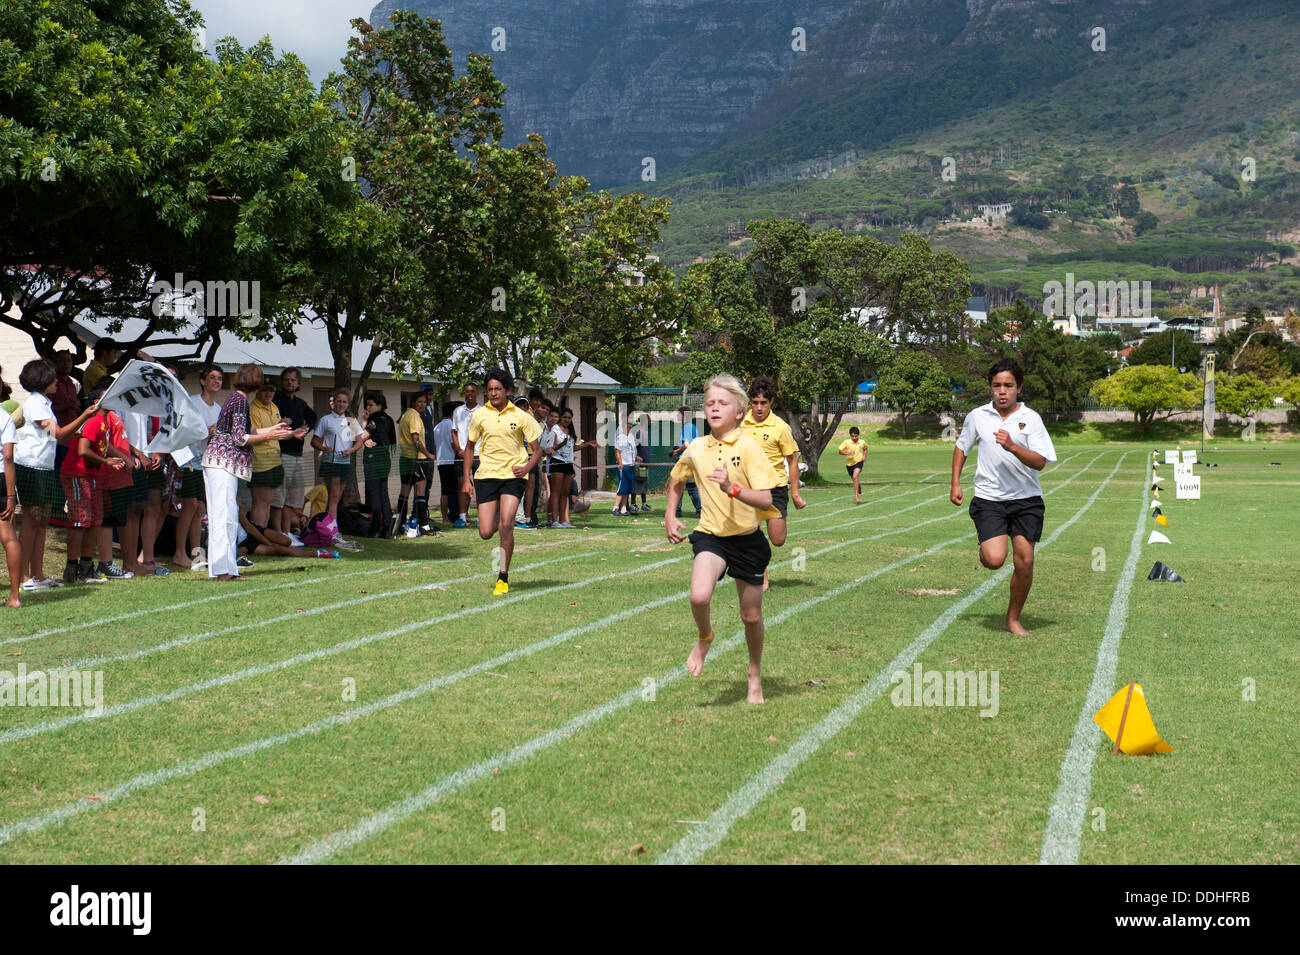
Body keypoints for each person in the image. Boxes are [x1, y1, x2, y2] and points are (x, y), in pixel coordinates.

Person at [665, 374, 779, 705]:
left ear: (739, 411)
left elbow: (766, 500)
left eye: (722, 403)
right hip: (711, 536)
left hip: (746, 540)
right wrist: (670, 516)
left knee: (751, 617)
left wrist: (733, 489)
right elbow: (675, 481)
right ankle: (705, 638)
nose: (714, 408)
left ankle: (754, 674)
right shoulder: (696, 447)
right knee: (699, 596)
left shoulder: (749, 447)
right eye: (710, 403)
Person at [951, 358, 1057, 636]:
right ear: (990, 388)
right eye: (996, 385)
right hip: (989, 499)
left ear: (1019, 388)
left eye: (1008, 385)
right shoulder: (977, 416)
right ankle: (986, 546)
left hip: (1026, 500)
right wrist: (955, 483)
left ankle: (1013, 619)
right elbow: (962, 447)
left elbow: (1040, 462)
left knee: (1025, 562)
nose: (1002, 391)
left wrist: (1011, 446)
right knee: (995, 559)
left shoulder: (1031, 419)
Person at [202, 363, 294, 581]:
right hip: (222, 464)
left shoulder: (236, 399)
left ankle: (226, 568)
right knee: (224, 517)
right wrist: (272, 437)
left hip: (220, 464)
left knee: (228, 516)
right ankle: (223, 571)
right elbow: (239, 438)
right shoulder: (240, 401)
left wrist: (272, 429)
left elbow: (246, 431)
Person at [14, 359, 98, 592]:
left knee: (42, 522)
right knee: (32, 521)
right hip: (30, 467)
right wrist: (86, 415)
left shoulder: (44, 403)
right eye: (53, 379)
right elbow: (59, 433)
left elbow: (59, 436)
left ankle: (37, 575)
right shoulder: (35, 403)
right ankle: (23, 578)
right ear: (43, 381)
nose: (56, 383)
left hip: (44, 467)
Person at [463, 369, 542, 595]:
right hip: (486, 476)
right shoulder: (479, 416)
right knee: (486, 532)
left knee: (506, 524)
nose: (493, 393)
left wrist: (526, 468)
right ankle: (498, 520)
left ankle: (502, 577)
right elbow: (469, 448)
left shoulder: (521, 416)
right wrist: (466, 480)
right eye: (489, 389)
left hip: (512, 476)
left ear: (507, 391)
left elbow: (537, 450)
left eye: (498, 389)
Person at [741, 375, 806, 591]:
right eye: (755, 403)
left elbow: (792, 459)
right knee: (753, 534)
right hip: (750, 489)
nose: (759, 408)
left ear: (771, 402)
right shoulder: (741, 424)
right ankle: (762, 579)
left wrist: (795, 493)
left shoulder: (780, 427)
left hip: (775, 487)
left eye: (763, 403)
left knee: (777, 539)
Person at [58, 389, 127, 584]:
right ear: (97, 401)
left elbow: (100, 448)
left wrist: (117, 458)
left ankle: (87, 568)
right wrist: (106, 462)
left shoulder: (105, 422)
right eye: (108, 396)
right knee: (80, 521)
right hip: (78, 474)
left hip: (92, 475)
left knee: (94, 521)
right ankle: (72, 568)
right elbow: (82, 450)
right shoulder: (94, 420)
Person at [173, 365, 222, 568]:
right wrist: (206, 431)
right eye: (212, 377)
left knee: (199, 507)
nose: (216, 381)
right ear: (202, 381)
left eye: (219, 378)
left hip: (204, 461)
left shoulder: (219, 409)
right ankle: (179, 553)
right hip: (187, 458)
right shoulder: (192, 403)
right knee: (190, 505)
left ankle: (197, 554)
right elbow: (180, 429)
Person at [272, 367, 317, 536]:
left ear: (298, 383)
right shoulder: (275, 399)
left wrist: (306, 428)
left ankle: (288, 532)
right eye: (286, 379)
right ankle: (278, 533)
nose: (290, 382)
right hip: (280, 455)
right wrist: (279, 421)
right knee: (279, 498)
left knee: (293, 499)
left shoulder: (300, 403)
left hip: (298, 456)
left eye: (293, 380)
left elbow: (313, 417)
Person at [311, 389, 366, 522]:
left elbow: (359, 442)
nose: (341, 404)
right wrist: (323, 448)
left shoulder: (351, 421)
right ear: (333, 403)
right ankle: (333, 530)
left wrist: (350, 451)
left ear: (348, 404)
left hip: (345, 462)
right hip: (330, 462)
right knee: (334, 497)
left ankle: (326, 525)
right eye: (339, 401)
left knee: (335, 498)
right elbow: (314, 441)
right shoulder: (326, 419)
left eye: (344, 402)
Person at [394, 391, 434, 537]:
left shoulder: (405, 415)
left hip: (405, 458)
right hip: (417, 459)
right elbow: (416, 440)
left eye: (425, 402)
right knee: (420, 493)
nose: (423, 404)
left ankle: (401, 523)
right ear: (413, 403)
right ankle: (423, 525)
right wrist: (429, 454)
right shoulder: (415, 417)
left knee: (404, 491)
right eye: (420, 402)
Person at [248, 380, 285, 535]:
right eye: (265, 390)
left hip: (275, 460)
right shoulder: (253, 410)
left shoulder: (274, 406)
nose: (269, 394)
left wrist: (292, 433)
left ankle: (264, 535)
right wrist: (273, 433)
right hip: (260, 462)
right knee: (259, 504)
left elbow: (277, 434)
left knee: (268, 503)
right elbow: (252, 434)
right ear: (258, 391)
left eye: (272, 390)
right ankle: (258, 537)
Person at [360, 392, 396, 538]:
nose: (368, 407)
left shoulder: (374, 420)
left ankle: (374, 528)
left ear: (379, 406)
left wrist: (364, 421)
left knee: (374, 493)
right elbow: (391, 442)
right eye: (367, 405)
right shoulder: (389, 419)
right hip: (385, 459)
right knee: (383, 493)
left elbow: (362, 436)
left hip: (373, 458)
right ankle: (387, 526)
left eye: (371, 405)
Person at [451, 380, 481, 528]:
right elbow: (454, 431)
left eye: (472, 391)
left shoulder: (483, 411)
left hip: (478, 455)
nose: (470, 394)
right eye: (467, 391)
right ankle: (463, 517)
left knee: (480, 486)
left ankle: (482, 517)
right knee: (463, 485)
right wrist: (458, 450)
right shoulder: (458, 411)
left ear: (477, 393)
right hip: (462, 454)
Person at [1, 393, 20, 607]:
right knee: (8, 537)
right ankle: (14, 597)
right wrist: (11, 495)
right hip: (0, 477)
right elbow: (8, 458)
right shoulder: (4, 417)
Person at [669, 405, 702, 518]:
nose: (677, 416)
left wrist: (676, 451)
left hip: (685, 459)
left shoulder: (687, 426)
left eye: (679, 414)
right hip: (692, 458)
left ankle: (699, 510)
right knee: (687, 486)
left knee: (682, 486)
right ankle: (680, 511)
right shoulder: (693, 427)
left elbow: (686, 444)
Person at [432, 401, 460, 527]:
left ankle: (444, 517)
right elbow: (453, 444)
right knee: (454, 489)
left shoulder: (437, 427)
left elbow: (435, 446)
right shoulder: (450, 425)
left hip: (441, 461)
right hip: (451, 460)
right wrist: (460, 452)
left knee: (445, 490)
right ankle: (454, 515)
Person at [612, 414, 638, 516]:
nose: (630, 426)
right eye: (628, 425)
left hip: (631, 464)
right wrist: (620, 463)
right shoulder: (621, 437)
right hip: (624, 465)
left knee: (628, 487)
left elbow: (632, 450)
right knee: (622, 487)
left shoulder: (630, 436)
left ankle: (623, 509)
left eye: (631, 425)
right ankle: (615, 508)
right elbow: (617, 451)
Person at [838, 426, 868, 503]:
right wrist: (847, 453)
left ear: (858, 435)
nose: (854, 438)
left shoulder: (862, 442)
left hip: (859, 461)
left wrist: (864, 456)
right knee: (855, 479)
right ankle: (859, 486)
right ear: (850, 435)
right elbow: (840, 451)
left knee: (855, 476)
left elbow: (866, 448)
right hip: (849, 464)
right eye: (852, 436)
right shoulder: (846, 442)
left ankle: (856, 497)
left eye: (856, 436)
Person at [632, 413, 652, 512]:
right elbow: (633, 446)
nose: (649, 422)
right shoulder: (639, 431)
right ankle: (633, 504)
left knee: (644, 483)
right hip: (639, 463)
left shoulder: (645, 432)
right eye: (648, 420)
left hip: (646, 463)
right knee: (636, 483)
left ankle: (644, 504)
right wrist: (637, 457)